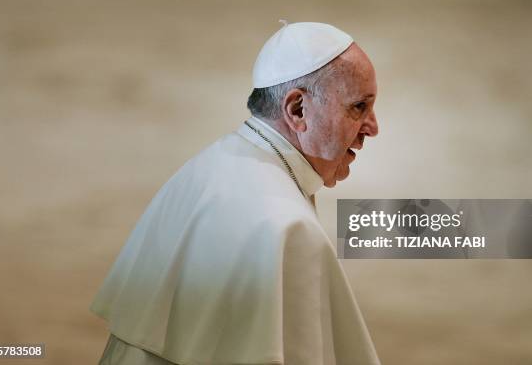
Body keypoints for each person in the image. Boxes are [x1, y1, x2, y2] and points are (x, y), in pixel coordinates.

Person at [91, 21, 381, 365]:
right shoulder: (285, 228)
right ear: (297, 110)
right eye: (358, 107)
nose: (373, 128)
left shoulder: (210, 165)